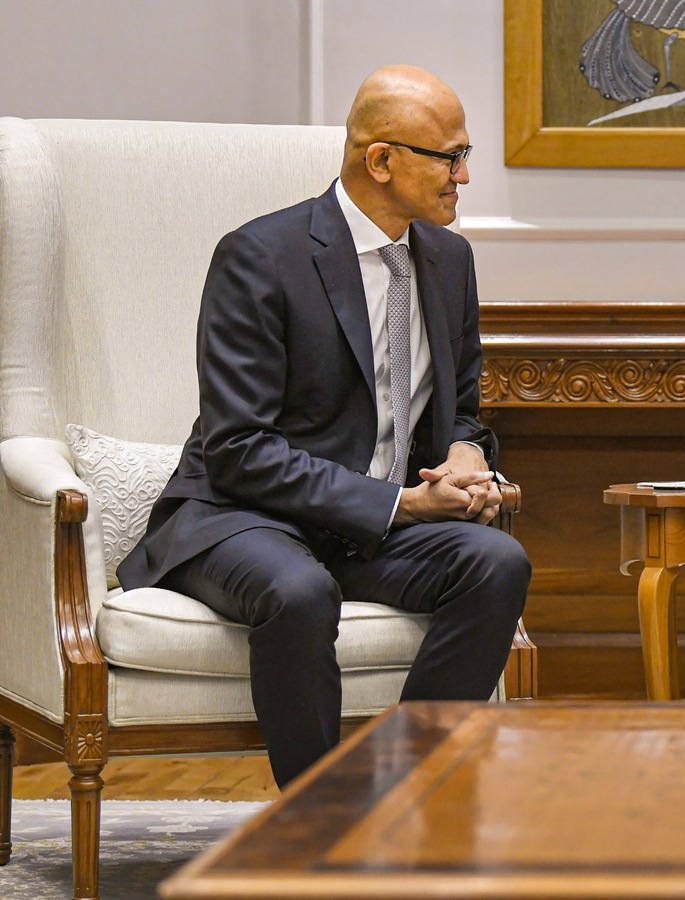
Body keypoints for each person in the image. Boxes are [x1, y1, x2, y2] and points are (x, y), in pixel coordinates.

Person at [118, 65, 532, 788]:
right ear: (381, 160)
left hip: (366, 530)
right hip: (245, 518)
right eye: (451, 157)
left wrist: (466, 455)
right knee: (300, 591)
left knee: (497, 564)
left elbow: (461, 409)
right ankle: (319, 827)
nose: (464, 176)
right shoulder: (260, 257)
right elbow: (239, 448)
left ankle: (406, 795)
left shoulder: (450, 261)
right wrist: (401, 503)